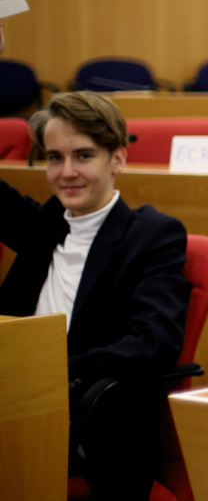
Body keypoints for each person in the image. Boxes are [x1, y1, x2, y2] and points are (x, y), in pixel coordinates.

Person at [0, 91, 191, 499]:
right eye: (54, 157)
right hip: (13, 403)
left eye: (83, 156)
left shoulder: (153, 234)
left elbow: (154, 342)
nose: (66, 172)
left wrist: (52, 368)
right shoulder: (46, 224)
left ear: (117, 159)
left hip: (87, 425)